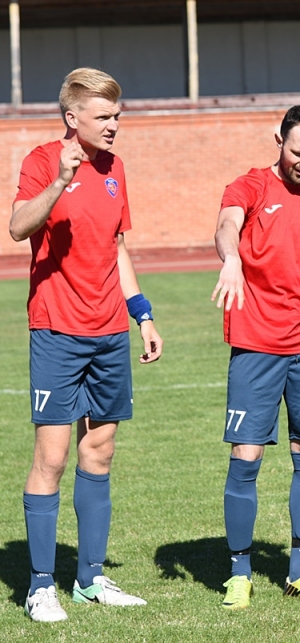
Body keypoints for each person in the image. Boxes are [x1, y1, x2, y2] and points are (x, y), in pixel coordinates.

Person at [11, 68, 163, 623]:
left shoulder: (115, 168)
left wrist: (142, 314)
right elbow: (17, 227)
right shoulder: (40, 161)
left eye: (117, 115)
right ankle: (40, 586)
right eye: (103, 116)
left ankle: (90, 579)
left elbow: (117, 247)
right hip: (56, 330)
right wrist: (59, 181)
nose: (114, 125)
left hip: (109, 333)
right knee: (51, 459)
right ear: (72, 118)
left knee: (99, 453)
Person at [210, 105, 300, 609]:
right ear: (279, 139)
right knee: (246, 458)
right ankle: (239, 573)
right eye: (298, 152)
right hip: (255, 346)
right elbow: (227, 224)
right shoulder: (250, 186)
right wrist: (232, 258)